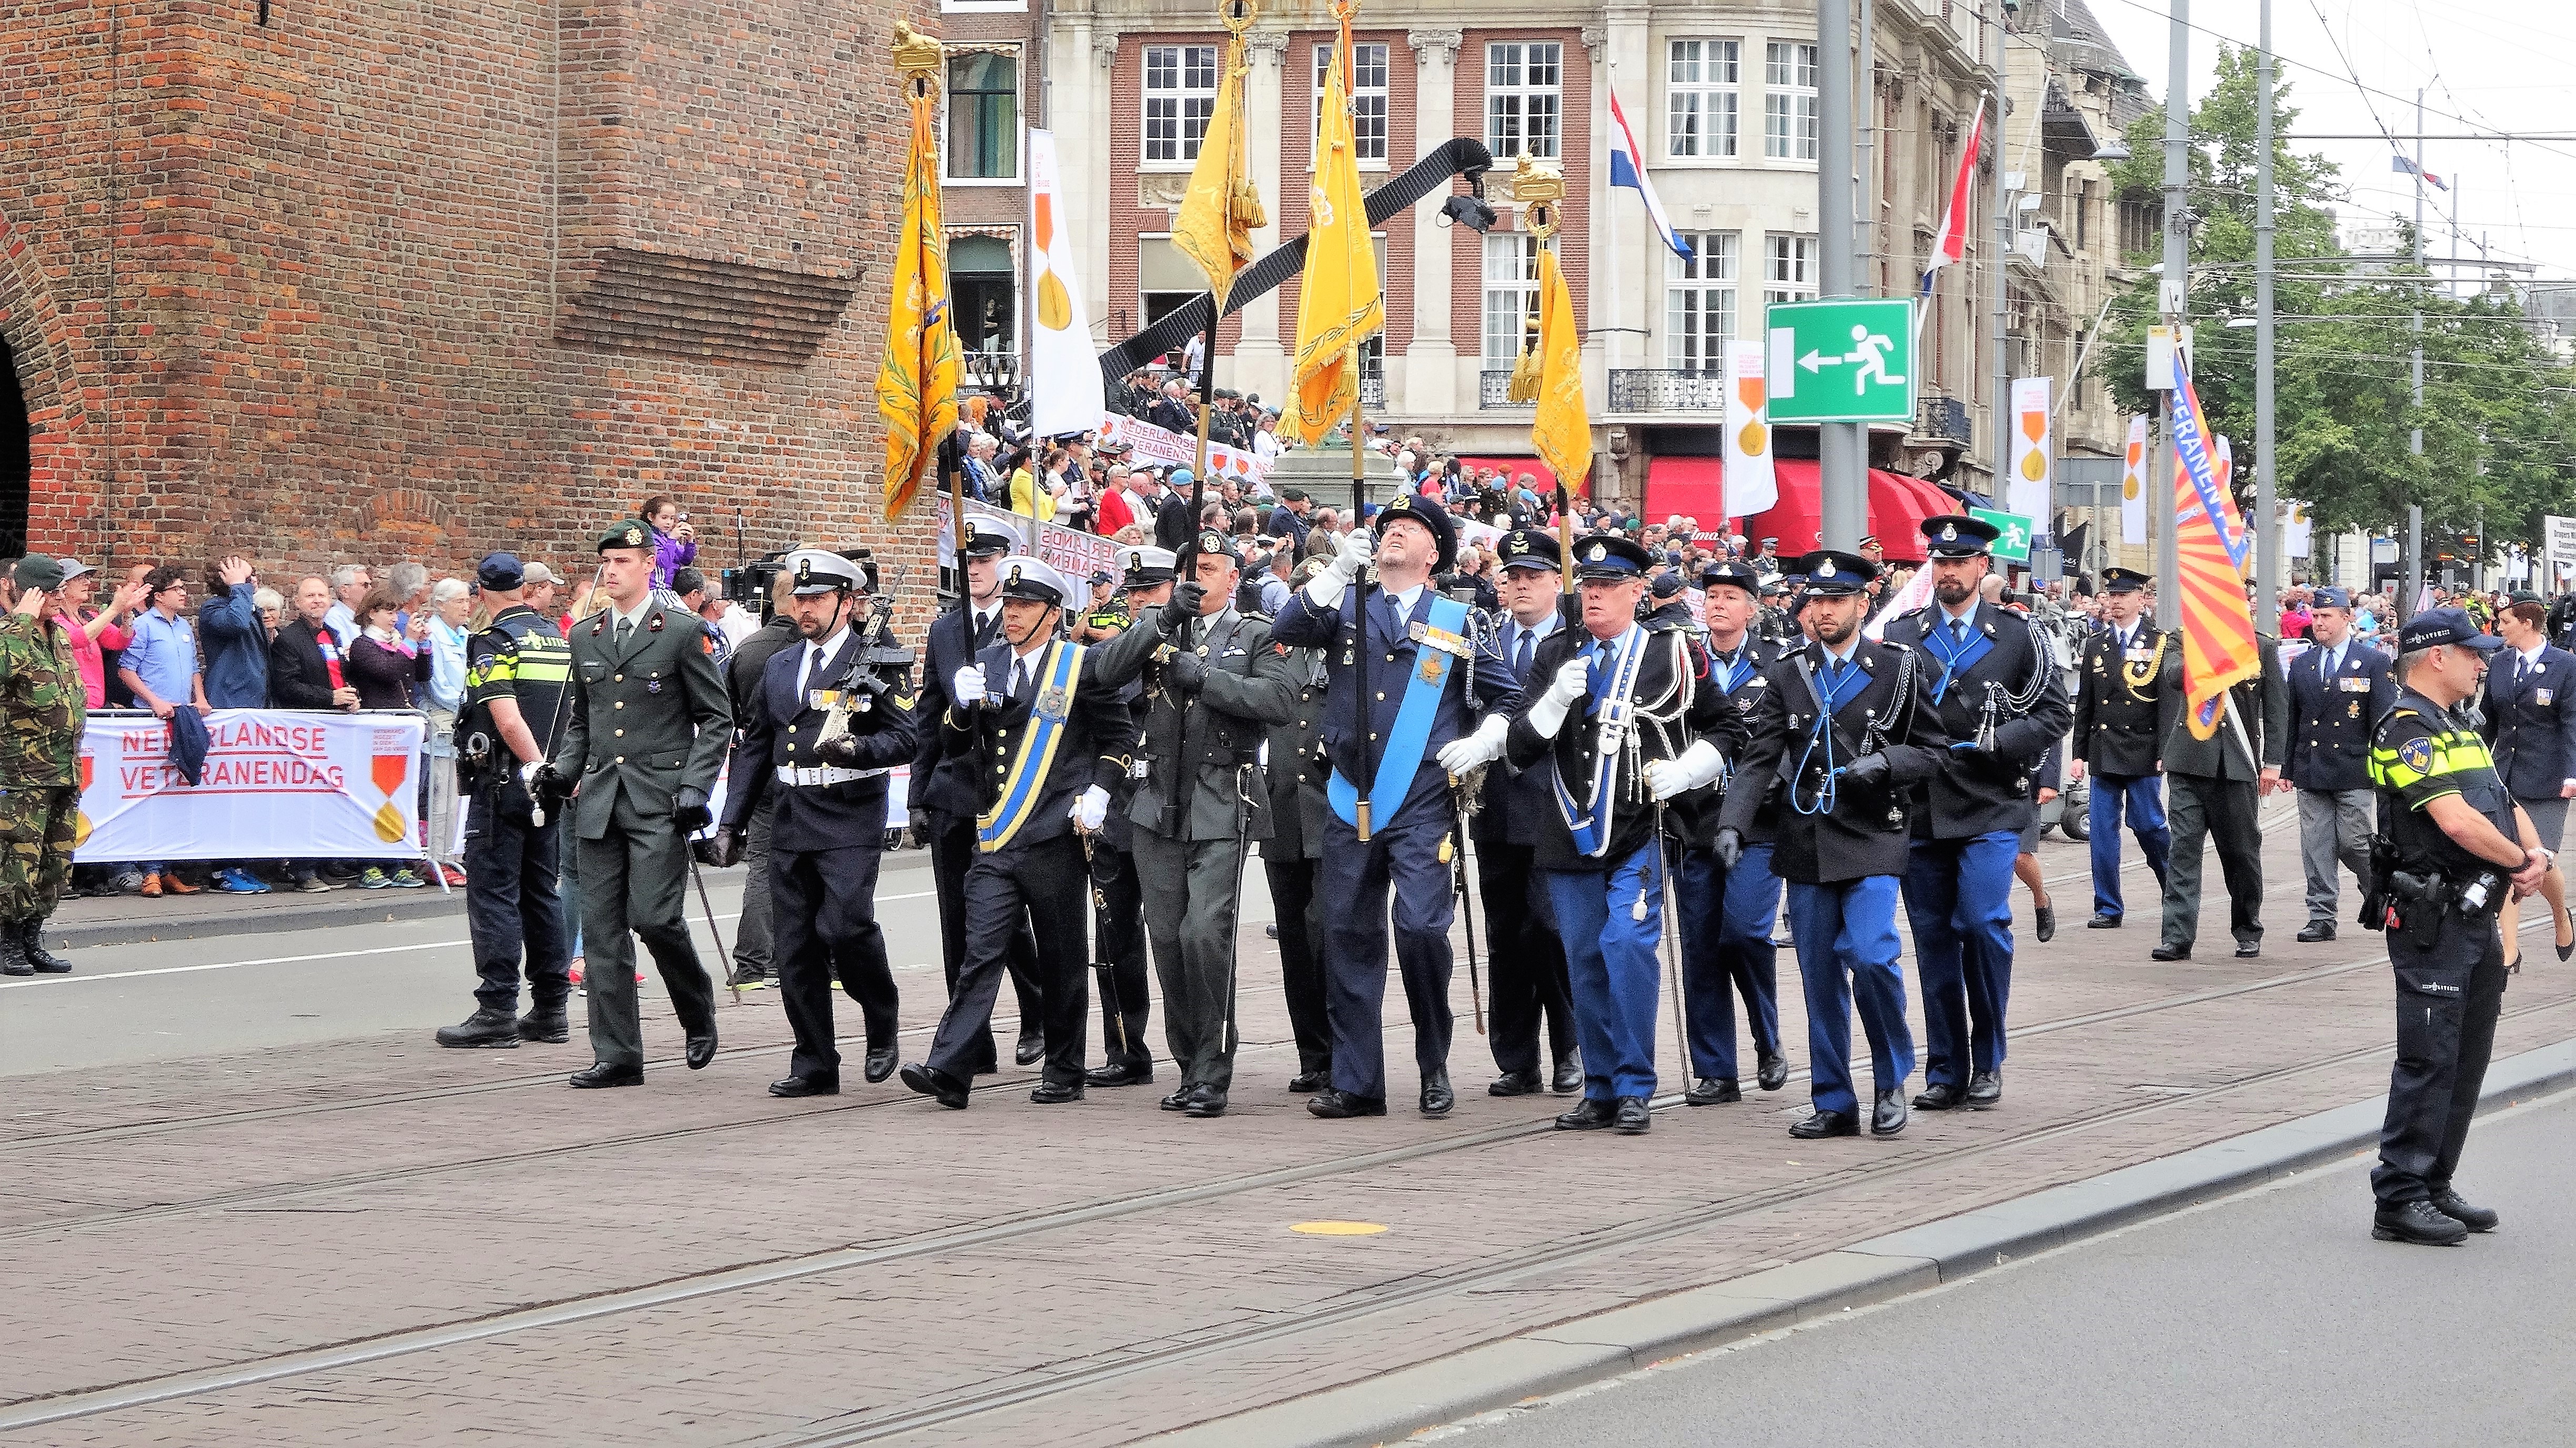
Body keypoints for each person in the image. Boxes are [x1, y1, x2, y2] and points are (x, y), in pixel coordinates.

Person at [1269, 491, 1516, 1120]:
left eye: (1410, 528)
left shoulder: (1459, 619)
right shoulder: (1347, 605)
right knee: (1347, 935)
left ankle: (1433, 1061)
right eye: (1388, 527)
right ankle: (1357, 1081)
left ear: (1435, 552)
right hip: (1351, 796)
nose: (1394, 535)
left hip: (1422, 801)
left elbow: (1507, 699)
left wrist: (1484, 737)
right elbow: (1286, 631)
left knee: (1423, 930)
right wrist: (1331, 573)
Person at [1487, 535, 1717, 1135]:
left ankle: (1637, 1083)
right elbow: (1520, 745)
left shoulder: (1670, 652)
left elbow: (1729, 726)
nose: (1595, 596)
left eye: (1609, 586)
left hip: (1641, 827)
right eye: (1588, 586)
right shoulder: (1559, 652)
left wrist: (1691, 768)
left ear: (1638, 592)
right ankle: (1602, 1084)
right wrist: (1554, 701)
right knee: (1584, 957)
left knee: (1627, 945)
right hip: (1569, 829)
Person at [901, 556, 1150, 1108]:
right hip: (995, 834)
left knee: (1062, 957)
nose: (1012, 615)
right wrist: (961, 711)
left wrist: (1101, 790)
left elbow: (1119, 738)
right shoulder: (983, 663)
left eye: (1025, 606)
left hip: (1054, 836)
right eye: (1009, 605)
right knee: (979, 951)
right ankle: (951, 1067)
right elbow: (952, 743)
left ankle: (1064, 1066)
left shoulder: (1078, 666)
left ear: (1052, 613)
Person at [1716, 550, 1948, 1140]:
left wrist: (1884, 762)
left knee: (1871, 956)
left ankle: (1891, 1077)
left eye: (1836, 600)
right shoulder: (1791, 671)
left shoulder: (1897, 667)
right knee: (1819, 975)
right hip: (1808, 835)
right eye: (1815, 600)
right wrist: (1734, 824)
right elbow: (1760, 755)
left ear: (1862, 604)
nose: (1822, 611)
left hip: (1874, 831)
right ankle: (1834, 1100)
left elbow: (1934, 752)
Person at [532, 518, 733, 1089]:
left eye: (624, 560)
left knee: (655, 917)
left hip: (658, 798)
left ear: (650, 566)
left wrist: (696, 785)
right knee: (600, 931)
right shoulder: (585, 634)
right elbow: (583, 721)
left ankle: (697, 1008)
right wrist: (561, 771)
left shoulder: (680, 631)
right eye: (608, 562)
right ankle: (618, 1053)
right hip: (597, 800)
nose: (613, 570)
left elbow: (716, 718)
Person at [2362, 608, 2539, 1245]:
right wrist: (2522, 863)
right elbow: (2457, 821)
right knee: (2429, 1058)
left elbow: (2501, 799)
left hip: (2475, 912)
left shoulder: (2459, 724)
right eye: (2471, 653)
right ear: (2436, 657)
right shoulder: (2405, 726)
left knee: (2467, 1057)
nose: (2482, 662)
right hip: (2430, 918)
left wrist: (2534, 852)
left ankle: (2434, 1181)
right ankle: (2400, 1197)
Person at [711, 550, 915, 1097]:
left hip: (848, 815)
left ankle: (881, 1017)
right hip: (790, 818)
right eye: (800, 598)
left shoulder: (879, 661)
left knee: (847, 927)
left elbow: (907, 736)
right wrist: (731, 822)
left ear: (847, 603)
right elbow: (756, 746)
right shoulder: (780, 664)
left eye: (818, 598)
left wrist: (858, 748)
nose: (806, 608)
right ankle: (815, 1060)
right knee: (795, 946)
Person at [1887, 516, 2071, 1112]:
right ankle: (1945, 1067)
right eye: (1939, 563)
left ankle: (1988, 1056)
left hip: (1993, 801)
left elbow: (2052, 715)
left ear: (1981, 567)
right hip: (1923, 805)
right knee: (1934, 937)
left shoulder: (2017, 636)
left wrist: (2002, 741)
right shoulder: (1903, 635)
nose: (1948, 572)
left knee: (1983, 921)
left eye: (1959, 562)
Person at [1114, 532, 1296, 1117]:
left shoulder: (1256, 635)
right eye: (1190, 569)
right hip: (1156, 800)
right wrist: (1162, 619)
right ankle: (1189, 1060)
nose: (1200, 577)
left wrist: (1206, 679)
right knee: (1165, 936)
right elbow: (1105, 673)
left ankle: (1214, 1067)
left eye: (1211, 568)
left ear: (1233, 579)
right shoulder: (1158, 628)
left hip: (1222, 800)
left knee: (1204, 933)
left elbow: (1278, 701)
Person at [908, 516, 1048, 1071]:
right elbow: (927, 713)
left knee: (1007, 919)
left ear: (1007, 561)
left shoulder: (1027, 619)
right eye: (969, 561)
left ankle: (1036, 1012)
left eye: (985, 560)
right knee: (956, 921)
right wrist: (919, 793)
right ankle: (971, 1040)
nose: (976, 570)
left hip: (1007, 791)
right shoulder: (947, 629)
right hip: (953, 790)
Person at [433, 554, 576, 1048]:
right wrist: (555, 771)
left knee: (494, 892)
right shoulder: (558, 637)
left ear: (483, 592)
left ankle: (497, 1008)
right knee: (542, 893)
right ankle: (552, 1008)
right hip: (552, 783)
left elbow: (507, 718)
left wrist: (531, 765)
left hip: (505, 781)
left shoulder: (495, 642)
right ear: (523, 587)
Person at [1672, 560, 1790, 1104]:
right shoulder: (1682, 660)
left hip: (1759, 824)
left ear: (1752, 607)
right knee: (1701, 947)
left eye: (1730, 596)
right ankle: (1716, 1069)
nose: (1718, 604)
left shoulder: (1780, 663)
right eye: (1711, 595)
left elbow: (1795, 737)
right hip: (1695, 820)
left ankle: (1767, 1036)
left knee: (1742, 932)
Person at [1471, 530, 1579, 1098]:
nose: (1520, 586)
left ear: (1556, 583)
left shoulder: (1574, 640)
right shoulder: (1483, 636)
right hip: (1494, 805)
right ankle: (1517, 1057)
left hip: (1554, 806)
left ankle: (1569, 1046)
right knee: (1506, 933)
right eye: (1512, 577)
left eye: (1533, 577)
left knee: (1551, 928)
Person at [1079, 546, 1168, 1090]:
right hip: (1116, 805)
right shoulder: (1109, 652)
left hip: (1168, 806)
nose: (1138, 601)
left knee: (1180, 935)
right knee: (1113, 937)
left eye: (1149, 590)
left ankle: (1200, 1049)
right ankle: (1126, 1046)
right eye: (1133, 591)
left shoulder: (1187, 644)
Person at [2151, 619, 2289, 961]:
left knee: (2241, 853)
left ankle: (2247, 927)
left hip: (2236, 764)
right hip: (2188, 761)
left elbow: (2276, 708)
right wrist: (2210, 651)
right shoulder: (2182, 640)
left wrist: (2273, 762)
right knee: (2182, 852)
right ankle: (2177, 936)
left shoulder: (2261, 646)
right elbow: (2174, 675)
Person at [1260, 557, 1335, 1093]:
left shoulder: (1349, 661)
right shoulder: (1273, 661)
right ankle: (1312, 1052)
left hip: (1335, 819)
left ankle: (1345, 1049)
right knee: (1294, 943)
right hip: (1282, 818)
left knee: (1332, 939)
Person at [2286, 587, 2394, 943]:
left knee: (2355, 843)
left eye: (2326, 617)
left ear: (2346, 618)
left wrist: (2385, 770)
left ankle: (2379, 892)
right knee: (2316, 846)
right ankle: (2321, 915)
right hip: (2312, 769)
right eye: (2315, 617)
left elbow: (2383, 722)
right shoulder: (2303, 663)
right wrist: (2286, 769)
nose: (2318, 623)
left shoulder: (2373, 661)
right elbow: (2294, 720)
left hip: (2354, 770)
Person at [2067, 568, 2172, 928]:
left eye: (2123, 595)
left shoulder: (2159, 642)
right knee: (2102, 834)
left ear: (2142, 599)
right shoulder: (2098, 644)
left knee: (2149, 826)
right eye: (2111, 595)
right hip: (2104, 749)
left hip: (2143, 750)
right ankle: (2108, 906)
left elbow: (2166, 705)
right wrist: (2078, 753)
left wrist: (2164, 749)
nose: (2115, 601)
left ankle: (2173, 889)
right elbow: (2087, 704)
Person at [2478, 594, 2576, 970]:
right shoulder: (2501, 663)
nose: (2499, 628)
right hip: (2506, 778)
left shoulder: (2565, 665)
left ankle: (2559, 914)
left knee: (2541, 861)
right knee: (2510, 861)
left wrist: (2572, 773)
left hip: (2550, 780)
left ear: (2527, 623)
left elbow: (2571, 724)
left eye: (2504, 622)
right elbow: (2489, 720)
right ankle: (2510, 949)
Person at [0, 558, 85, 975]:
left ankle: (33, 936)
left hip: (62, 771)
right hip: (19, 776)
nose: (59, 598)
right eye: (50, 592)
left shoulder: (59, 638)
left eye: (59, 591)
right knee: (18, 861)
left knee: (54, 864)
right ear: (30, 592)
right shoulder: (8, 637)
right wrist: (18, 624)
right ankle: (7, 941)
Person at [721, 568, 801, 989]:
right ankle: (812, 959)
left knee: (763, 863)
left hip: (756, 766)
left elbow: (730, 709)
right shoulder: (805, 648)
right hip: (796, 767)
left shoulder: (747, 648)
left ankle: (752, 962)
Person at [119, 566, 212, 898]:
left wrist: (199, 697)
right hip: (152, 718)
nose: (184, 593)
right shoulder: (143, 627)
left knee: (175, 792)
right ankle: (150, 870)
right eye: (177, 589)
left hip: (183, 715)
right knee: (150, 794)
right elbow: (126, 670)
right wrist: (155, 700)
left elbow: (192, 669)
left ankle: (168, 868)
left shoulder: (185, 626)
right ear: (159, 595)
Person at [422, 577, 476, 888]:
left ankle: (448, 854)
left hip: (462, 718)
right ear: (440, 605)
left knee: (455, 795)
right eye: (459, 602)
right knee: (441, 792)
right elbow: (438, 686)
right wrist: (466, 706)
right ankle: (437, 857)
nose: (466, 607)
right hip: (443, 718)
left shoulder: (464, 635)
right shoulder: (433, 635)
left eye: (467, 601)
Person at [639, 494, 698, 591]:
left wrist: (690, 541)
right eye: (664, 518)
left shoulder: (668, 537)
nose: (669, 522)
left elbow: (686, 560)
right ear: (651, 517)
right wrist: (672, 540)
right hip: (655, 588)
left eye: (671, 518)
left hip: (669, 588)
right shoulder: (649, 538)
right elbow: (663, 563)